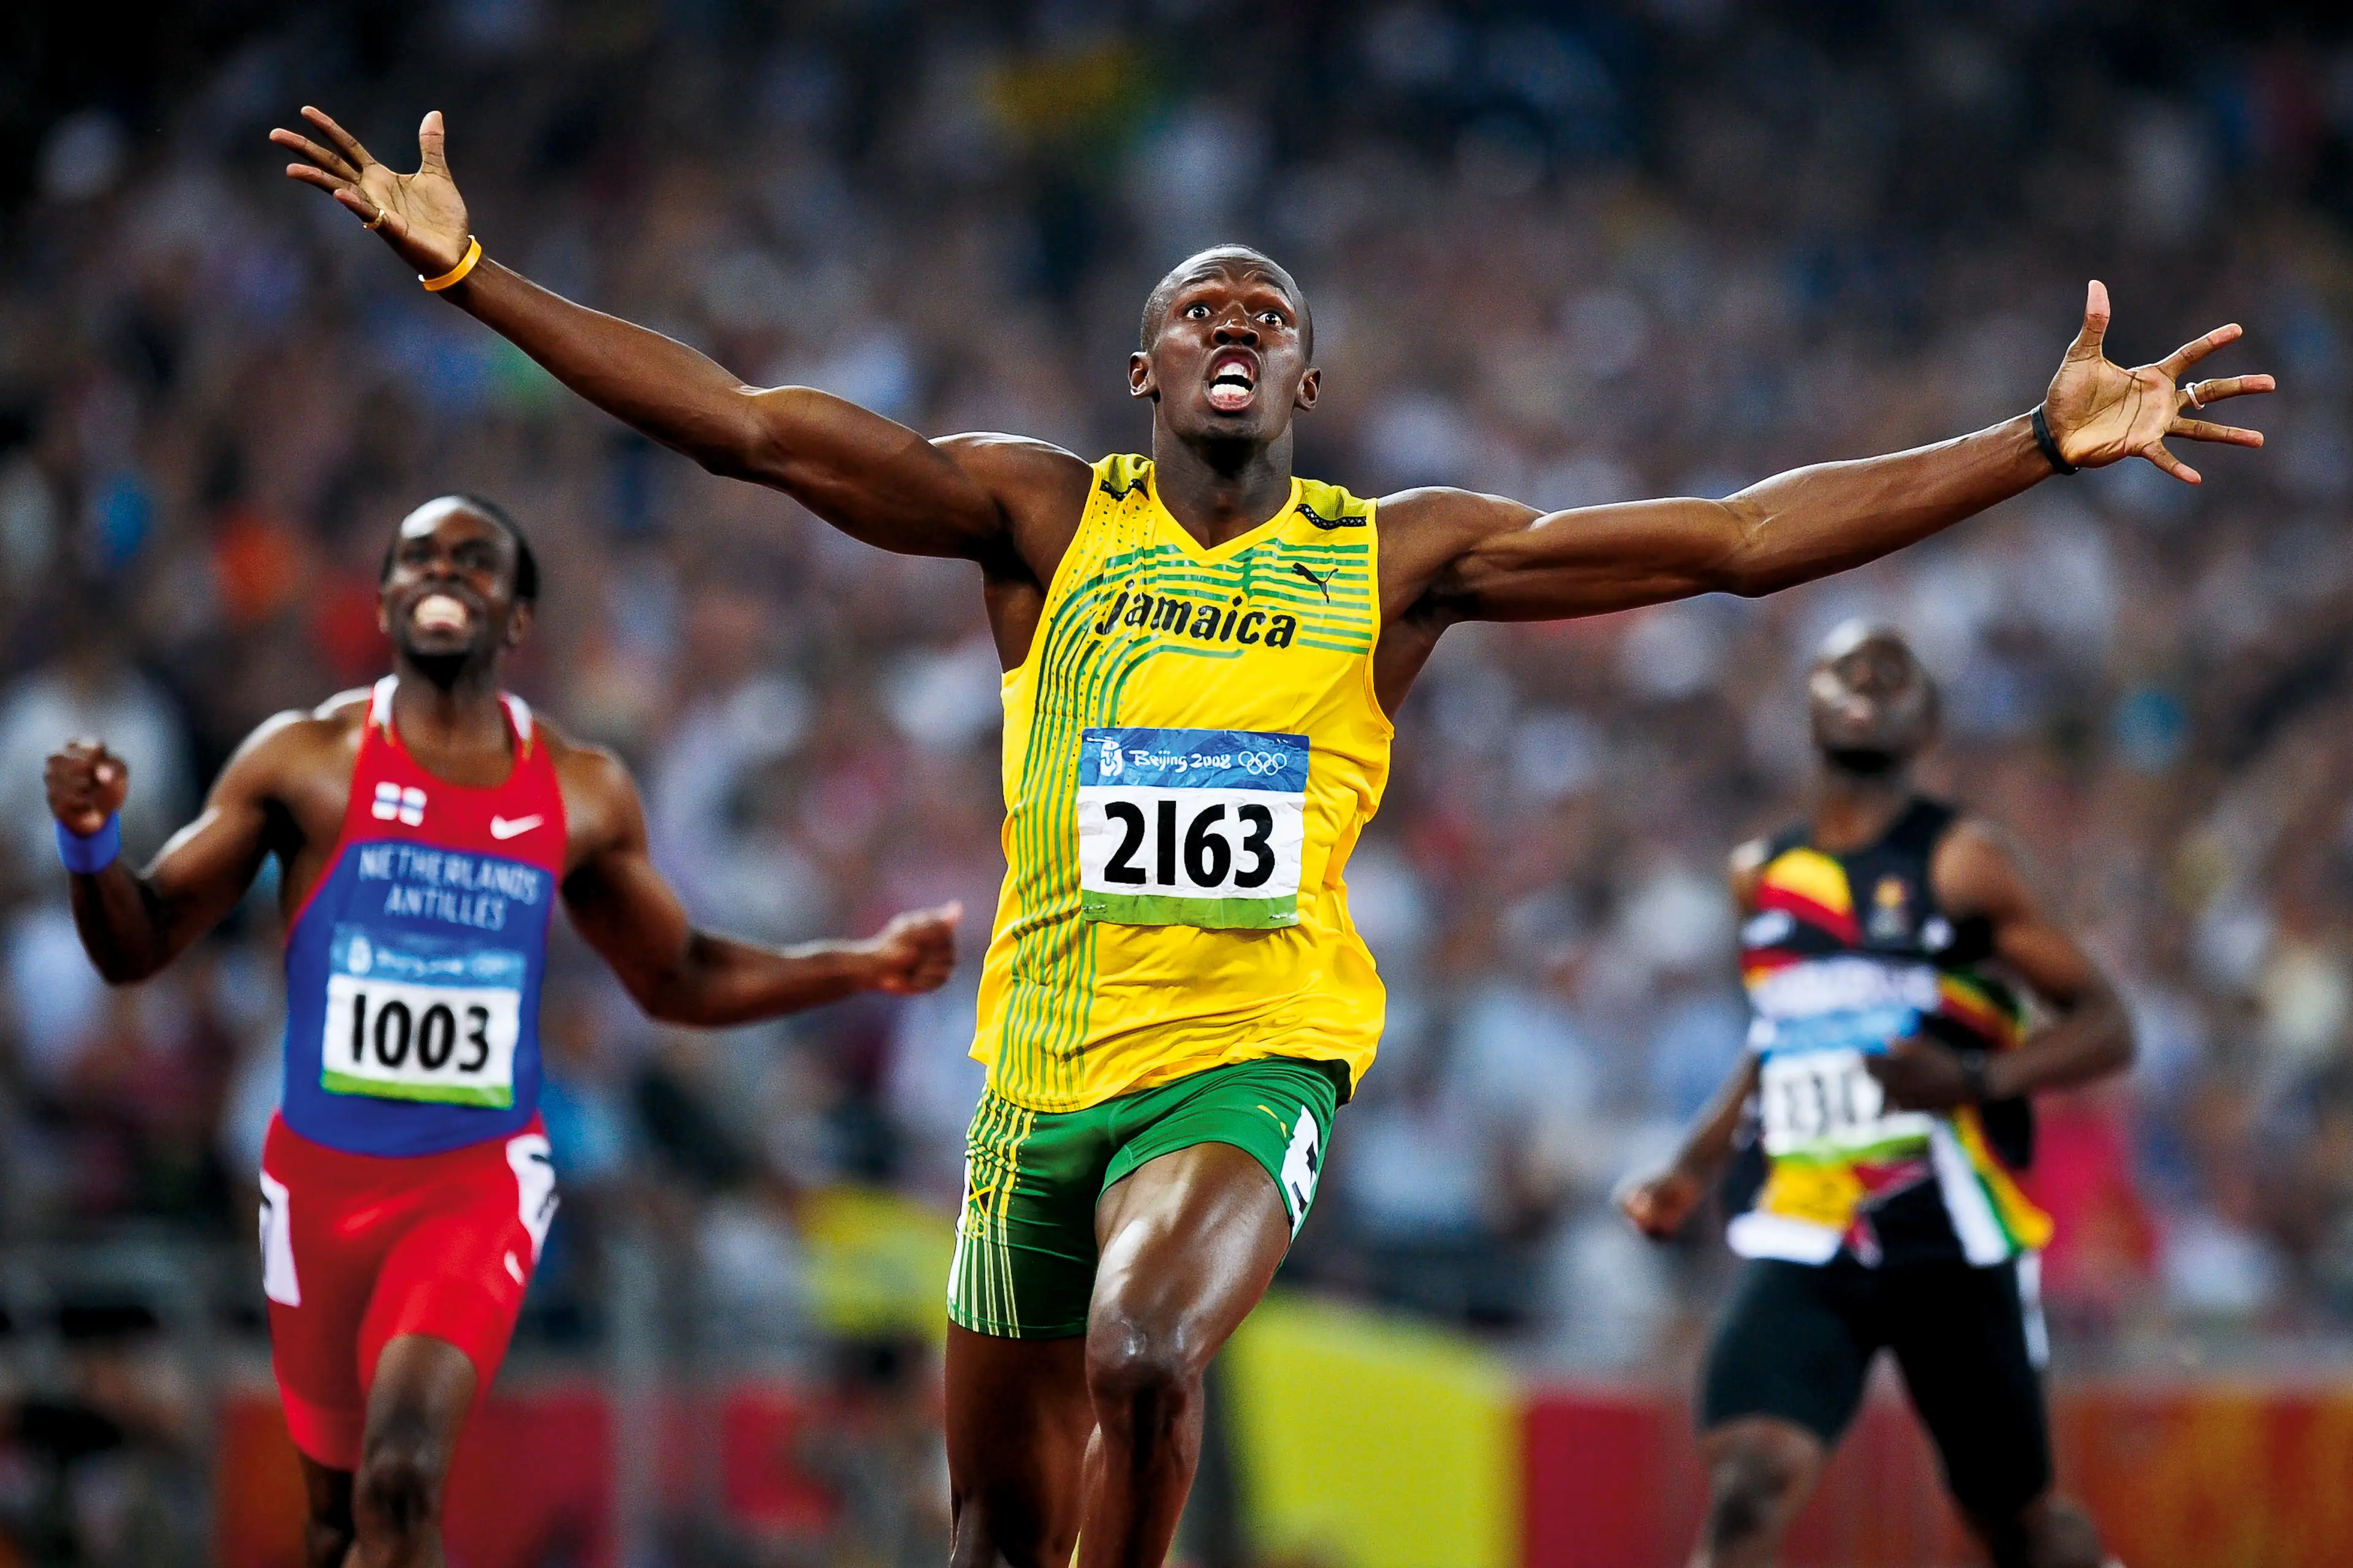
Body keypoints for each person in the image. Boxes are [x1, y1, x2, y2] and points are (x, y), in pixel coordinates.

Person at [270, 105, 2268, 1568]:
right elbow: (744, 423)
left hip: (1255, 1053)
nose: (1235, 318)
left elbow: (1737, 539)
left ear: (1310, 376)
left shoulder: (1394, 558)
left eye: (1270, 309)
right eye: (1198, 306)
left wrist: (2031, 442)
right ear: (1143, 371)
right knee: (994, 1530)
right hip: (1033, 1076)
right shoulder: (1041, 518)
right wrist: (467, 270)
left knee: (1149, 1351)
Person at [45, 494, 959, 1568]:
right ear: (385, 600)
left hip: (473, 1184)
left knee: (401, 1471)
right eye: (419, 558)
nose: (444, 573)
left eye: (474, 561)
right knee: (336, 1523)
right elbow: (139, 942)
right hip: (325, 1180)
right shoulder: (303, 762)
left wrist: (854, 963)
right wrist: (91, 843)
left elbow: (678, 976)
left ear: (517, 617)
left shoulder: (577, 789)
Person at [1619, 623, 2134, 1568]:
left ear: (1926, 724)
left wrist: (1973, 1079)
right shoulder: (1760, 875)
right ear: (1808, 708)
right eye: (1844, 667)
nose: (1865, 678)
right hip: (1813, 1224)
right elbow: (1779, 1035)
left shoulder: (1963, 860)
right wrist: (1691, 1166)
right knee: (1749, 1480)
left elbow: (2106, 1023)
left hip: (1948, 1233)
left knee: (2018, 1529)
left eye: (1892, 672)